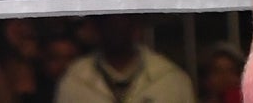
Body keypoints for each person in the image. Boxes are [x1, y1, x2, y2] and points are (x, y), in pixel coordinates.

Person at [53, 21, 193, 103]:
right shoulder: (74, 81)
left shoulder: (170, 80)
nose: (117, 24)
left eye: (123, 17)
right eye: (109, 19)